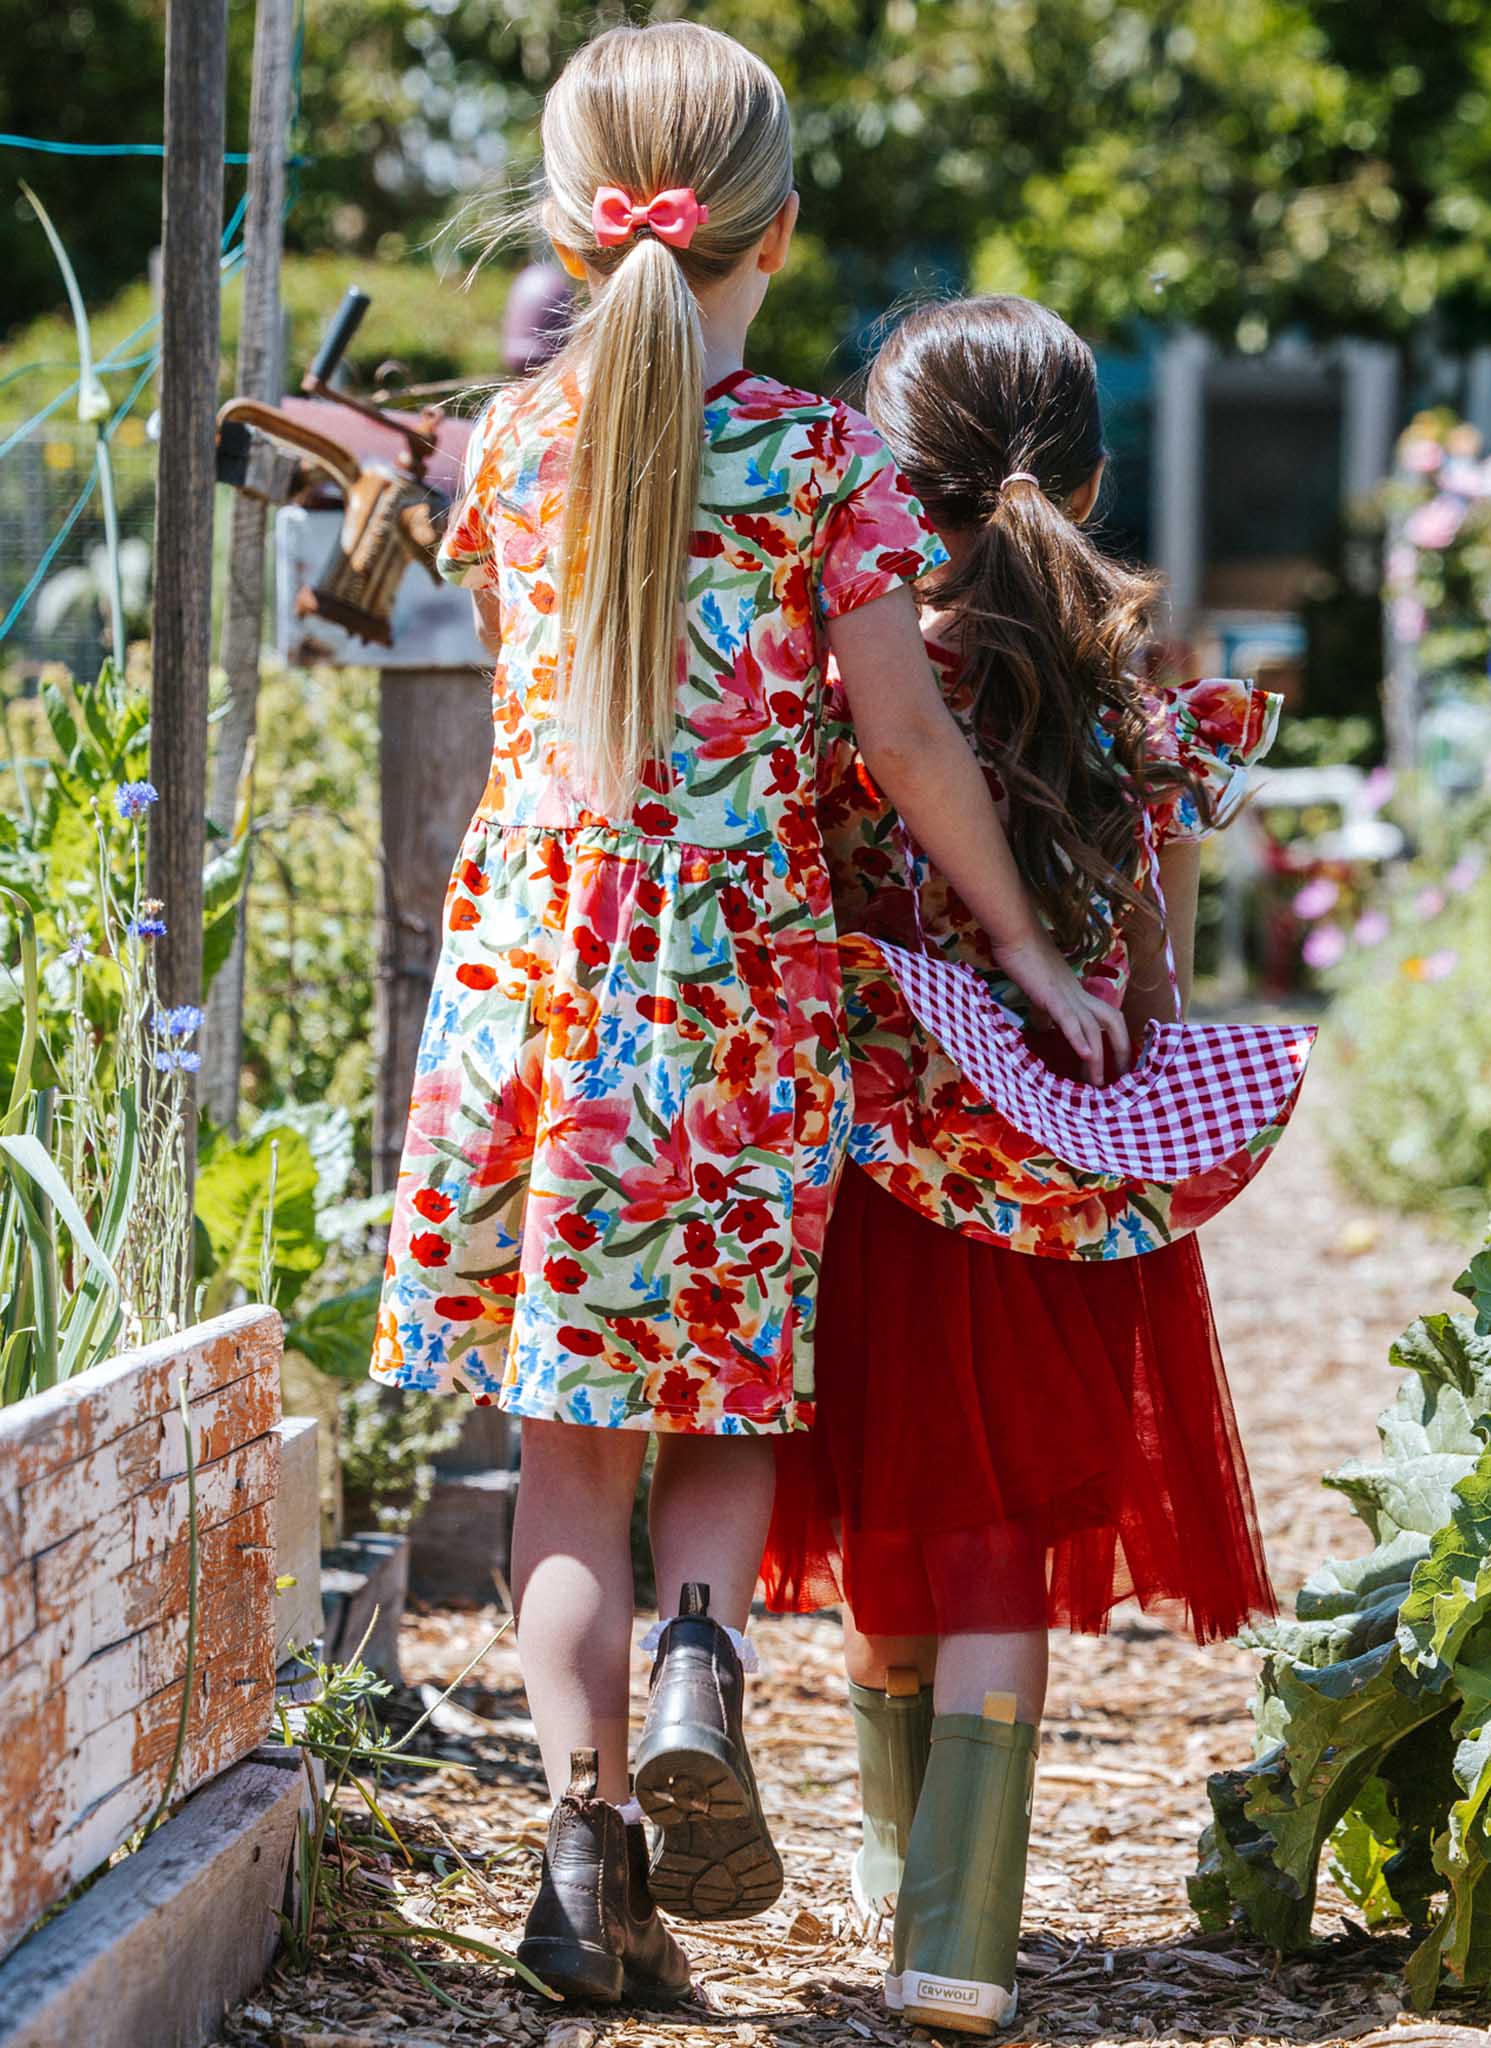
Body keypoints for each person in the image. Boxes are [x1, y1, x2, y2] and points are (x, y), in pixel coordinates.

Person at [368, 29, 1119, 2009]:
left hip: (533, 994)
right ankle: (704, 1651)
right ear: (776, 234)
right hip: (730, 1007)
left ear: (565, 223)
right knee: (719, 1413)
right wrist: (1032, 947)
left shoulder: (517, 445)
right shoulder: (812, 461)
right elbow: (907, 737)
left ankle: (583, 1856)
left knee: (563, 1457)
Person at [761, 295, 1284, 2036]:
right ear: (1096, 470)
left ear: (882, 471)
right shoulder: (1132, 701)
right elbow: (1153, 980)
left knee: (892, 1521)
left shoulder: (865, 679)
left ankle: (896, 1878)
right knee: (999, 1545)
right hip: (1061, 1193)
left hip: (878, 1176)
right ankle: (962, 1936)